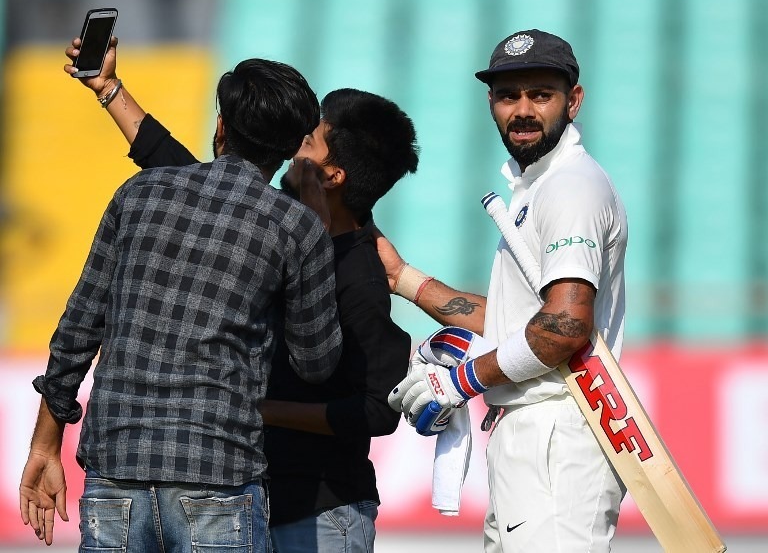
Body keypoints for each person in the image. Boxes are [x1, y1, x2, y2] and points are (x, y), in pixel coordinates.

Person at [59, 36, 419, 552]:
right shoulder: (276, 227)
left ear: (332, 176)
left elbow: (376, 411)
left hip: (317, 511)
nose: (292, 147)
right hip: (246, 494)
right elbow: (180, 169)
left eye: (307, 142)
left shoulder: (359, 273)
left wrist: (255, 408)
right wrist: (110, 89)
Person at [19, 56, 344, 551]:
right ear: (289, 149)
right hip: (218, 469)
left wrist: (45, 444)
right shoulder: (296, 228)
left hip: (116, 465)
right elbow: (316, 362)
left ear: (221, 125)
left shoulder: (137, 194)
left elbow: (77, 330)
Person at [384, 29, 628, 552]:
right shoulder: (537, 184)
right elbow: (527, 320)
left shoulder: (571, 188)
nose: (522, 109)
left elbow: (563, 327)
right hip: (532, 432)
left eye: (540, 94)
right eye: (507, 95)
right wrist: (406, 280)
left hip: (558, 431)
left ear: (574, 100)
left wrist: (459, 383)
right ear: (490, 102)